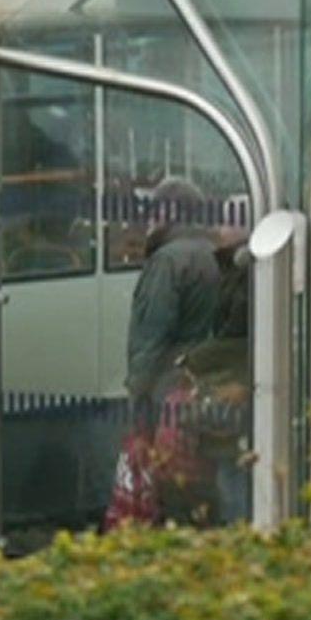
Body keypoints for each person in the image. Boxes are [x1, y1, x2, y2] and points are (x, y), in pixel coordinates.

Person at [125, 177, 221, 430]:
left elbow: (151, 336)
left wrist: (137, 398)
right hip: (208, 384)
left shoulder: (167, 262)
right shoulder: (214, 252)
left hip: (169, 386)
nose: (148, 219)